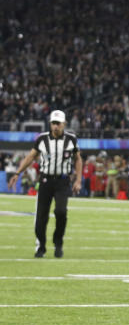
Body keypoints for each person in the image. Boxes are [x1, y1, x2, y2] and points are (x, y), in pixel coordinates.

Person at [6, 110, 82, 258]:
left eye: (58, 123)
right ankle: (41, 245)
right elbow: (30, 157)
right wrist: (17, 173)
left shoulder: (71, 139)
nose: (55, 126)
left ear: (64, 124)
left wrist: (78, 180)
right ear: (50, 123)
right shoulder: (42, 139)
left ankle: (58, 242)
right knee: (41, 216)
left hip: (62, 181)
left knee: (61, 212)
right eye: (53, 123)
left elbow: (78, 159)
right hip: (45, 180)